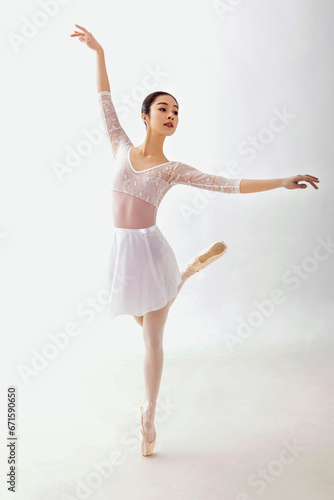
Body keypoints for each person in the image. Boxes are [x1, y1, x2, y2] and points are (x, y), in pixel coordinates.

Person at [70, 24, 320, 456]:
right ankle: (185, 275)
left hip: (149, 250)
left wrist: (282, 180)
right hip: (121, 253)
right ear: (145, 117)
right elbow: (104, 101)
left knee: (152, 338)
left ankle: (148, 414)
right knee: (142, 316)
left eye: (177, 111)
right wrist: (99, 52)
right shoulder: (118, 146)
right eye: (163, 108)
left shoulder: (174, 169)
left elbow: (226, 184)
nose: (171, 115)